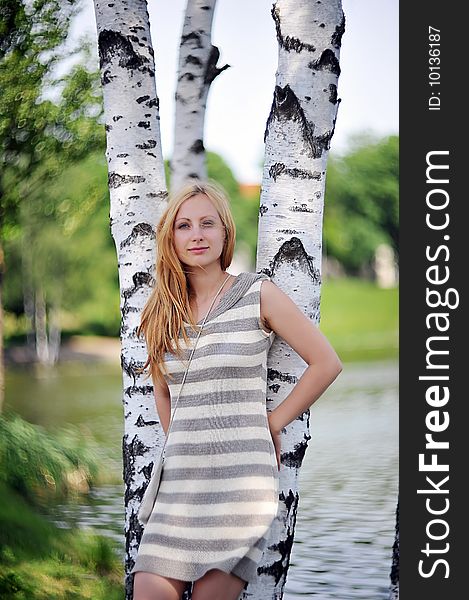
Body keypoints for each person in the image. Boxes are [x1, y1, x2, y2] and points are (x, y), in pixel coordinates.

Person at [131, 179, 342, 600]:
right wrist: (184, 444)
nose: (197, 235)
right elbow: (163, 393)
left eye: (208, 224)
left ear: (225, 232)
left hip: (240, 487)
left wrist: (271, 422)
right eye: (184, 226)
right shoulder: (161, 309)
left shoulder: (257, 294)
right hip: (179, 490)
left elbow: (326, 364)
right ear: (170, 237)